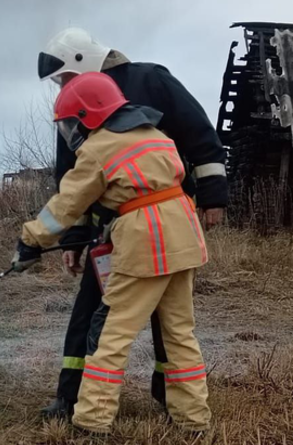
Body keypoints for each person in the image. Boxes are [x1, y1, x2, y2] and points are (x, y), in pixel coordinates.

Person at [35, 28, 227, 418]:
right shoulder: (74, 105)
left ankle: (161, 398)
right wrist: (74, 239)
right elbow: (71, 179)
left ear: (83, 61)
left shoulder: (151, 80)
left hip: (158, 223)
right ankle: (70, 396)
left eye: (65, 78)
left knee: (155, 323)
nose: (64, 88)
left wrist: (213, 196)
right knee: (90, 312)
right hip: (110, 230)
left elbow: (200, 135)